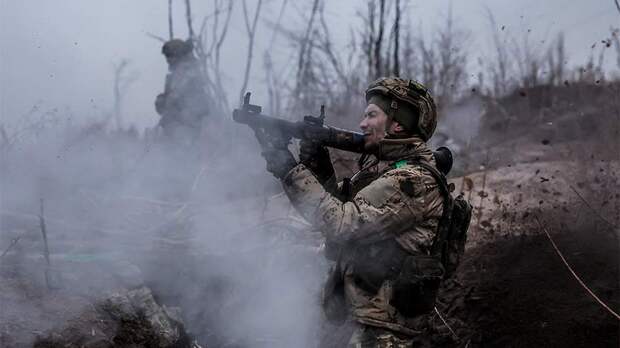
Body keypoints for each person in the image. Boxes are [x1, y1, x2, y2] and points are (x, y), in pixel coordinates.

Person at [261, 77, 446, 347]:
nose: (362, 124)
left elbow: (341, 223)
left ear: (398, 123)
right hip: (362, 319)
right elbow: (342, 210)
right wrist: (317, 163)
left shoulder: (412, 180)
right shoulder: (386, 172)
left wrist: (290, 169)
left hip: (385, 333)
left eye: (372, 115)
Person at [155, 39, 209, 143]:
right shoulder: (175, 75)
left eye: (169, 56)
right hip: (177, 127)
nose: (167, 60)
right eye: (167, 56)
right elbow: (169, 100)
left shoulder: (190, 72)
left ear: (177, 55)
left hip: (187, 129)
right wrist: (161, 101)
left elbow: (179, 98)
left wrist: (167, 105)